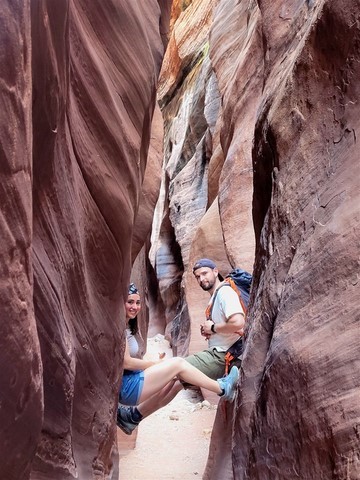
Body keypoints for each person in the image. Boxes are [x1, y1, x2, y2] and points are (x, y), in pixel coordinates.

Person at [116, 283, 239, 435]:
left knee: (175, 380)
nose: (135, 306)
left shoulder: (128, 326)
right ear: (121, 302)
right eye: (130, 302)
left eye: (138, 302)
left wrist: (156, 365)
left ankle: (132, 417)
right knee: (178, 363)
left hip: (130, 383)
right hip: (128, 387)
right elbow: (126, 362)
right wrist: (155, 364)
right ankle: (222, 388)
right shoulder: (119, 326)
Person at [186, 258, 245, 380]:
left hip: (226, 355)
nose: (201, 279)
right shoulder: (216, 295)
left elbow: (238, 322)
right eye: (198, 277)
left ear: (215, 272)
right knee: (179, 382)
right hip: (223, 354)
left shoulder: (224, 292)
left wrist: (213, 328)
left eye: (204, 273)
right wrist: (209, 330)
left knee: (178, 368)